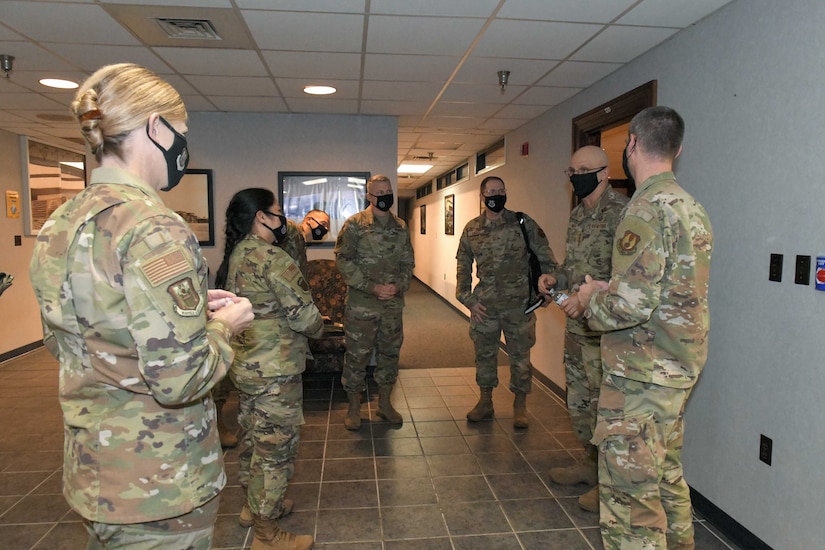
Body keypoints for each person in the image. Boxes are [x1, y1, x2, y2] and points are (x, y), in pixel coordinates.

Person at [28, 63, 254, 549]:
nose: (182, 145)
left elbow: (70, 337)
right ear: (157, 126)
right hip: (160, 483)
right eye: (182, 132)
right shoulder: (154, 227)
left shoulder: (62, 221)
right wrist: (224, 327)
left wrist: (188, 314)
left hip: (95, 471)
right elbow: (180, 378)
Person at [575, 106, 712, 550]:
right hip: (676, 371)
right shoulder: (690, 206)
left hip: (641, 376)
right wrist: (610, 285)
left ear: (632, 143)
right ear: (680, 148)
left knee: (630, 502)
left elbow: (629, 306)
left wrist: (589, 298)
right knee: (667, 478)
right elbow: (668, 287)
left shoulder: (644, 209)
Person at [215, 188, 324, 550]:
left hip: (246, 366)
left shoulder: (237, 254)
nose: (283, 219)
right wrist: (321, 326)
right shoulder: (273, 259)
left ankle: (253, 508)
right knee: (276, 453)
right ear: (261, 216)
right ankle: (267, 534)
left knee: (253, 440)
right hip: (275, 372)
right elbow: (307, 318)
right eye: (277, 212)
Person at [539, 146, 628, 512]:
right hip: (577, 329)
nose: (577, 176)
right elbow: (573, 266)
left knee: (606, 408)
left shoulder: (623, 213)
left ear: (605, 172)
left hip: (607, 333)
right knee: (579, 404)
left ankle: (609, 485)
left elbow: (628, 280)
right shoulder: (577, 215)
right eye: (572, 169)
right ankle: (590, 466)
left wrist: (587, 299)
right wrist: (553, 278)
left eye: (585, 169)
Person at [456, 176, 558, 429]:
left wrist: (548, 288)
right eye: (491, 191)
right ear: (482, 196)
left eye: (501, 190)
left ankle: (520, 405)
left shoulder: (522, 222)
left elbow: (545, 255)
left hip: (519, 305)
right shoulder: (472, 229)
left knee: (521, 357)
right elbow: (463, 265)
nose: (497, 195)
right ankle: (485, 402)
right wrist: (467, 299)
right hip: (485, 306)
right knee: (485, 356)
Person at [335, 174, 415, 430]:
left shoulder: (401, 227)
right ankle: (354, 407)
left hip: (392, 306)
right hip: (362, 305)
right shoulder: (355, 225)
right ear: (369, 196)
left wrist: (398, 285)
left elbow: (407, 263)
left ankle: (385, 405)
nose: (384, 197)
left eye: (388, 191)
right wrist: (372, 287)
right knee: (357, 357)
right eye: (378, 193)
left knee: (390, 355)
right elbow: (343, 260)